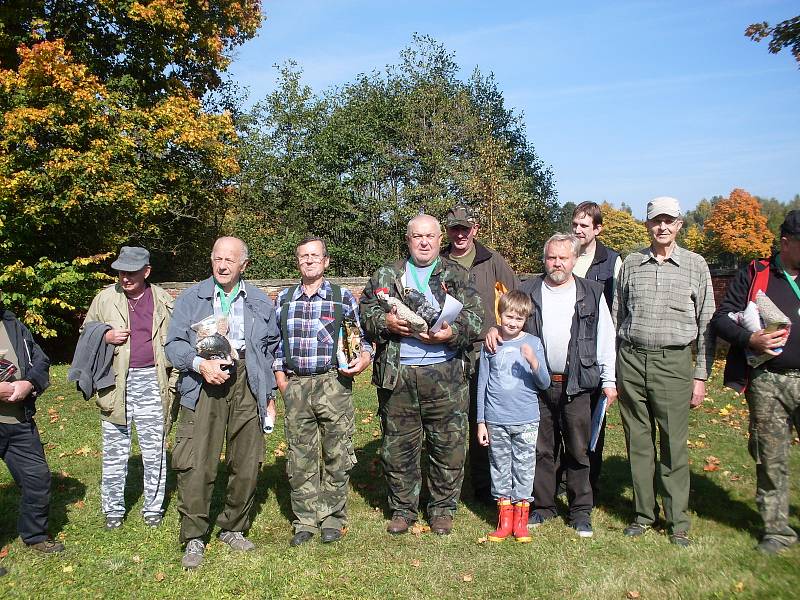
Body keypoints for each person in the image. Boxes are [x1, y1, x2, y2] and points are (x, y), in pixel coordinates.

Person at [359, 213, 483, 536]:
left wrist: (451, 332)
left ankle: (442, 509)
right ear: (408, 240)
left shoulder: (456, 274)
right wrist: (385, 323)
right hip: (398, 374)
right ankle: (403, 509)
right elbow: (366, 311)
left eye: (430, 236)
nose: (424, 242)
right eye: (417, 237)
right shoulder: (388, 274)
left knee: (448, 445)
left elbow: (477, 319)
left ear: (440, 240)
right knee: (398, 445)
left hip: (446, 375)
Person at [487, 234, 617, 538]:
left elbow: (606, 339)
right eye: (551, 258)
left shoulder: (592, 292)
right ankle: (543, 506)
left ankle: (580, 511)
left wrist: (609, 380)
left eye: (563, 258)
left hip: (578, 382)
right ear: (544, 259)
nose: (557, 263)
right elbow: (509, 317)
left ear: (574, 260)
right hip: (537, 385)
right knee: (541, 449)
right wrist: (494, 328)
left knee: (578, 449)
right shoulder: (529, 289)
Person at [166, 237, 280, 569]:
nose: (223, 265)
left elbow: (270, 351)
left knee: (247, 461)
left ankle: (233, 527)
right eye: (217, 258)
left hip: (248, 382)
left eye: (230, 260)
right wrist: (200, 365)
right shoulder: (191, 298)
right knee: (197, 460)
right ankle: (194, 536)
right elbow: (173, 345)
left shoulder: (259, 300)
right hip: (203, 381)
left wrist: (268, 393)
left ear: (244, 265)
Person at [614, 196, 715, 547]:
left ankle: (678, 521)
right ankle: (643, 515)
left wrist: (700, 375)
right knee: (639, 442)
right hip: (631, 358)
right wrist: (615, 366)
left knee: (673, 443)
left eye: (669, 220)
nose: (662, 227)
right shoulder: (631, 262)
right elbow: (618, 315)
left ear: (679, 224)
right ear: (647, 224)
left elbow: (706, 324)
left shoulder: (695, 265)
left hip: (673, 364)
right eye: (656, 220)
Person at [274, 236, 373, 547]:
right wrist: (281, 378)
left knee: (337, 452)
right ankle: (304, 520)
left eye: (315, 255)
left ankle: (331, 516)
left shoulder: (342, 298)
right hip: (296, 384)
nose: (309, 260)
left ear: (326, 261)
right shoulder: (284, 299)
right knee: (299, 455)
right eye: (303, 255)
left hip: (333, 383)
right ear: (298, 261)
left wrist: (364, 359)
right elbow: (274, 343)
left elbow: (361, 339)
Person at [711, 210, 800, 555]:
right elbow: (721, 319)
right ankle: (776, 531)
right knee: (770, 456)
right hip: (769, 382)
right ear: (786, 243)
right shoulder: (756, 273)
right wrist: (751, 341)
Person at [74, 246, 175, 530]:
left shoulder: (164, 300)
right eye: (121, 272)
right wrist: (105, 334)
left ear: (147, 271)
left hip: (154, 381)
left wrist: (175, 383)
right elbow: (85, 333)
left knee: (155, 449)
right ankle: (113, 510)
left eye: (131, 272)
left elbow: (179, 341)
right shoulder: (105, 298)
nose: (125, 277)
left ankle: (153, 508)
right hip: (115, 383)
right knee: (115, 449)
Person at [442, 205, 520, 505]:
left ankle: (485, 486)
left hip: (484, 349)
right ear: (447, 231)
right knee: (449, 420)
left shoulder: (492, 260)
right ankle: (447, 486)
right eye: (454, 229)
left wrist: (501, 329)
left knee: (483, 418)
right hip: (447, 348)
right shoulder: (440, 261)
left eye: (465, 228)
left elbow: (515, 297)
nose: (460, 234)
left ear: (475, 229)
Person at [476, 290, 549, 543]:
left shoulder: (533, 344)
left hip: (526, 419)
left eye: (519, 319)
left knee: (524, 469)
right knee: (499, 468)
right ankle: (504, 520)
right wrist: (481, 422)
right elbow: (482, 384)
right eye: (509, 317)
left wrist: (534, 362)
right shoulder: (491, 344)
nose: (513, 323)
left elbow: (545, 382)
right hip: (496, 419)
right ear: (500, 315)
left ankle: (521, 521)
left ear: (525, 319)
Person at [0, 303, 64, 569]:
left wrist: (30, 383)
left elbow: (40, 360)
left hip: (18, 421)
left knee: (37, 478)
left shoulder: (12, 323)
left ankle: (35, 535)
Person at [569, 202, 622, 500]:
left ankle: (592, 481)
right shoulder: (565, 255)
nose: (578, 230)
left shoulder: (612, 262)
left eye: (584, 226)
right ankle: (565, 478)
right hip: (568, 350)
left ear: (597, 229)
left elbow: (616, 311)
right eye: (575, 224)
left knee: (593, 420)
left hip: (596, 349)